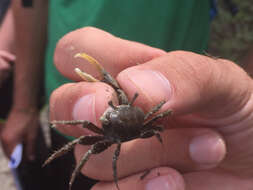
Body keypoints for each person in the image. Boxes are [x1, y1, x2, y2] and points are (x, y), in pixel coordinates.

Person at [1, 0, 253, 189]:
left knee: (84, 146)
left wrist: (238, 95)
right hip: (72, 96)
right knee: (79, 144)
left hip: (186, 117)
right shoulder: (147, 121)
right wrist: (23, 107)